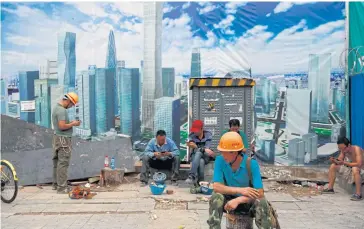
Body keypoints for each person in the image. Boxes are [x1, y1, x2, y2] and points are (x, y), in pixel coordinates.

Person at [207, 132, 264, 229]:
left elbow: (260, 193)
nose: (222, 154)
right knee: (216, 197)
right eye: (222, 151)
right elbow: (216, 187)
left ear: (235, 152)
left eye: (225, 152)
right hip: (228, 201)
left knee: (262, 203)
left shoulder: (251, 164)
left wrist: (239, 199)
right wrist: (240, 190)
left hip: (247, 202)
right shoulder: (220, 160)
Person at [51, 92, 80, 194]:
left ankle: (56, 184)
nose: (71, 107)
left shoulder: (56, 108)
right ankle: (62, 187)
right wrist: (73, 123)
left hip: (57, 138)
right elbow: (62, 126)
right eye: (72, 104)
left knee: (57, 163)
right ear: (68, 101)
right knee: (63, 163)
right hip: (63, 139)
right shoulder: (62, 110)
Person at [185, 120, 215, 185]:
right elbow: (191, 143)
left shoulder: (208, 134)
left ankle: (191, 176)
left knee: (199, 152)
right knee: (200, 161)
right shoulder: (191, 135)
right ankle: (200, 182)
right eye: (194, 130)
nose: (195, 132)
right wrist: (191, 145)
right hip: (195, 156)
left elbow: (206, 149)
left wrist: (196, 147)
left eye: (196, 130)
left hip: (205, 156)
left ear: (201, 129)